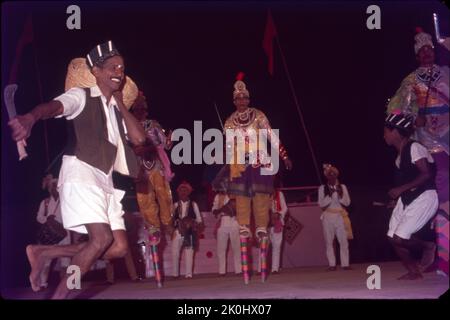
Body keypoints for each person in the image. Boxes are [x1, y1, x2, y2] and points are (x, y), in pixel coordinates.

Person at [8, 41, 146, 299]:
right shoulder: (81, 96)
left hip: (105, 181)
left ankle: (45, 252)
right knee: (100, 240)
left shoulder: (116, 111)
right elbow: (53, 107)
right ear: (96, 71)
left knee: (117, 248)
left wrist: (120, 103)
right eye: (112, 67)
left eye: (122, 68)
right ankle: (60, 296)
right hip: (81, 173)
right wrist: (30, 118)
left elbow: (139, 139)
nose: (119, 71)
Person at [386, 28, 449, 276]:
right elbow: (395, 109)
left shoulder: (446, 74)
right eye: (421, 51)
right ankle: (437, 253)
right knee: (441, 191)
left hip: (448, 134)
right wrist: (414, 120)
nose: (426, 53)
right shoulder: (411, 81)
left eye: (429, 49)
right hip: (428, 141)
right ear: (417, 56)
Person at [223, 72, 292, 272]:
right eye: (238, 98)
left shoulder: (258, 115)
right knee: (242, 196)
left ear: (249, 99)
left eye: (244, 97)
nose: (242, 101)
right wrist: (229, 164)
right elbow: (228, 146)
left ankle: (261, 225)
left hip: (259, 158)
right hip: (240, 162)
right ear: (234, 101)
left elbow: (271, 136)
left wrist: (284, 155)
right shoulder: (229, 121)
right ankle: (244, 225)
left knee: (261, 194)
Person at [383, 113, 439, 280]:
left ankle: (428, 246)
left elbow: (426, 174)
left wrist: (400, 189)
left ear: (395, 132)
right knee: (392, 237)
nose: (384, 135)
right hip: (408, 199)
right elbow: (408, 180)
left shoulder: (414, 147)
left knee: (400, 238)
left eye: (386, 131)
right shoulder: (400, 156)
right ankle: (414, 272)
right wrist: (397, 198)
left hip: (425, 196)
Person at [131, 91, 174, 245]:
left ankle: (168, 222)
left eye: (142, 109)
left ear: (146, 111)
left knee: (163, 194)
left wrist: (170, 140)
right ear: (133, 111)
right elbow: (124, 147)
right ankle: (153, 227)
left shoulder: (154, 124)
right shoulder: (128, 126)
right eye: (136, 109)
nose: (140, 112)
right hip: (139, 167)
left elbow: (165, 144)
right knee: (144, 198)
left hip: (155, 163)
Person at [36, 174, 71, 289]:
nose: (55, 188)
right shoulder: (45, 202)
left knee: (67, 260)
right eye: (53, 186)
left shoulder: (66, 201)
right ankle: (43, 284)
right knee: (47, 260)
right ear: (49, 188)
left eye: (57, 185)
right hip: (51, 234)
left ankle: (69, 285)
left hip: (64, 234)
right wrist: (47, 218)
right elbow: (39, 217)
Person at [318, 164, 353, 271]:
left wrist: (339, 195)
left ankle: (345, 264)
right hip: (328, 216)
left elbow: (347, 203)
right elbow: (321, 204)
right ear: (327, 176)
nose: (332, 176)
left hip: (340, 216)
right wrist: (330, 195)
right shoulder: (322, 188)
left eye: (334, 174)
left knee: (343, 241)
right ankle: (332, 264)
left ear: (337, 175)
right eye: (330, 175)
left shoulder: (342, 187)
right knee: (329, 241)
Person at [171, 181, 203, 278]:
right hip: (177, 231)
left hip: (190, 232)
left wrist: (193, 224)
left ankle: (188, 274)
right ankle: (175, 274)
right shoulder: (175, 205)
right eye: (181, 190)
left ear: (189, 192)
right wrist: (172, 231)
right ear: (178, 192)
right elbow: (170, 220)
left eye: (185, 190)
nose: (183, 192)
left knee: (189, 253)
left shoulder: (194, 205)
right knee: (175, 252)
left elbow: (199, 220)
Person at [211, 174, 241, 276]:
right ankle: (222, 271)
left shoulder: (236, 194)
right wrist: (223, 209)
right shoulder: (218, 196)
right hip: (222, 221)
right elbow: (214, 211)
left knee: (236, 248)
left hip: (234, 221)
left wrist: (232, 210)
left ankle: (238, 270)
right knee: (221, 249)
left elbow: (240, 209)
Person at [269, 178, 288, 274]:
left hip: (277, 222)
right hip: (266, 223)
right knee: (263, 246)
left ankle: (275, 269)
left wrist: (278, 214)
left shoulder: (279, 194)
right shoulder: (263, 195)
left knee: (276, 246)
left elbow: (285, 208)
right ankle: (261, 268)